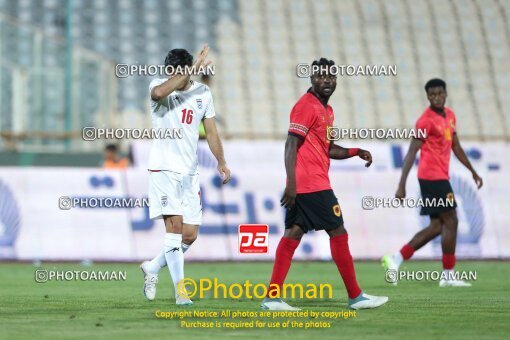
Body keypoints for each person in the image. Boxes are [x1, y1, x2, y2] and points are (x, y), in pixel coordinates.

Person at [261, 58, 388, 311]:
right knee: (338, 232)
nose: (326, 81)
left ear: (336, 80)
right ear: (311, 79)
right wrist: (292, 184)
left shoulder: (327, 110)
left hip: (308, 184)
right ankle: (356, 296)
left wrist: (355, 151)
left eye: (331, 77)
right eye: (320, 77)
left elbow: (327, 148)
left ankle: (272, 298)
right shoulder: (305, 106)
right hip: (312, 185)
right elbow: (290, 145)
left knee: (292, 236)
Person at [140, 45, 231, 304]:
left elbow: (211, 132)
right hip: (163, 168)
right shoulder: (159, 86)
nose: (168, 74)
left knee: (190, 234)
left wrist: (221, 162)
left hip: (190, 171)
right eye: (168, 70)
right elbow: (158, 93)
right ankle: (181, 293)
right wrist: (189, 70)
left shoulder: (203, 92)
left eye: (173, 71)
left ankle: (152, 267)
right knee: (175, 227)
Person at [381, 78, 483, 287]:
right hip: (431, 176)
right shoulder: (425, 121)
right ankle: (447, 275)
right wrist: (401, 184)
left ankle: (397, 258)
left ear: (445, 94)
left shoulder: (451, 116)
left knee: (438, 226)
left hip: (441, 176)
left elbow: (456, 146)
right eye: (432, 94)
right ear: (427, 97)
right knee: (452, 220)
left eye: (440, 93)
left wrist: (472, 170)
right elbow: (411, 152)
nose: (436, 97)